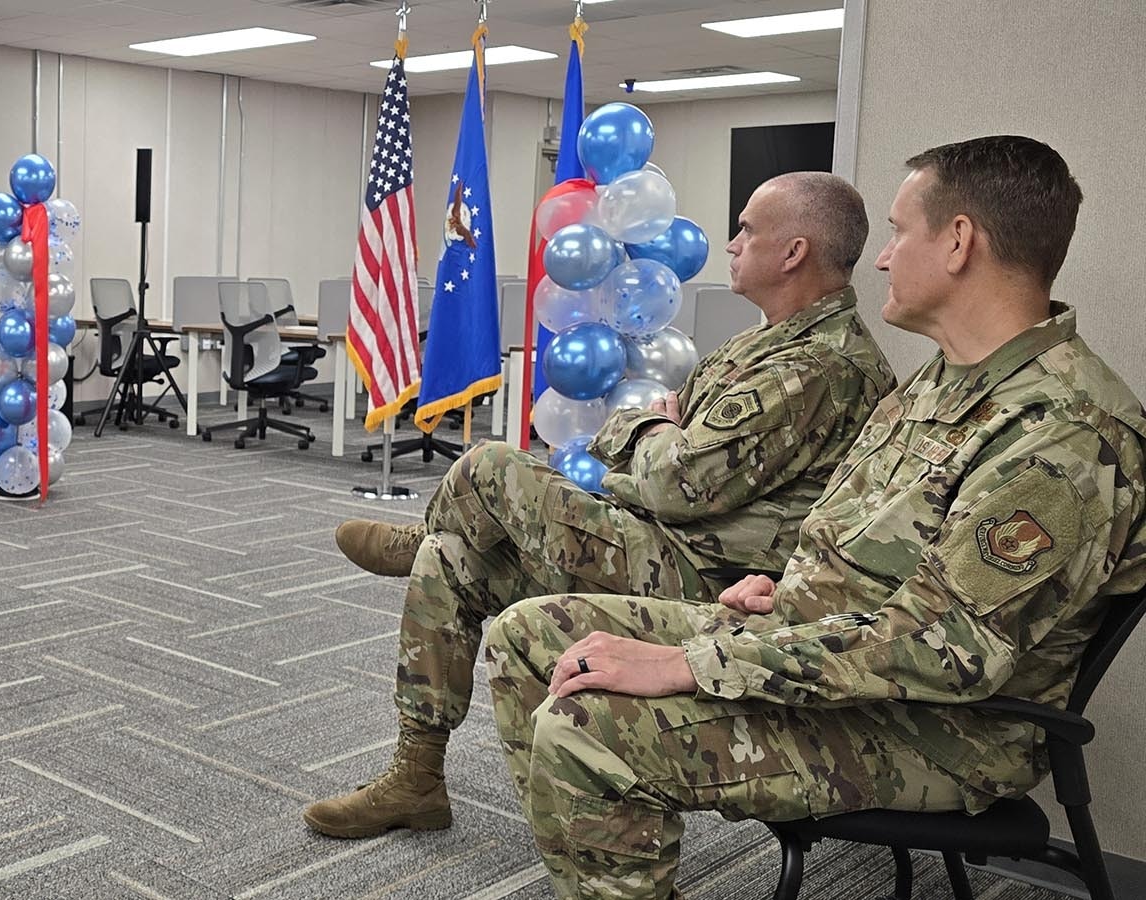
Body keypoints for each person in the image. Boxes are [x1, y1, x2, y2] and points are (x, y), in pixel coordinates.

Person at [483, 135, 1146, 900]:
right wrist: (783, 588)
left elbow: (945, 652)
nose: (885, 257)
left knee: (585, 730)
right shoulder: (941, 382)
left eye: (900, 231)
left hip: (942, 726)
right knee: (530, 635)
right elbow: (866, 545)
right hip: (829, 653)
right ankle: (605, 856)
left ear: (959, 242)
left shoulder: (1062, 434)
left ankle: (611, 816)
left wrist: (694, 663)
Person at [303, 172, 896, 839]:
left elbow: (675, 479)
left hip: (705, 575)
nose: (732, 244)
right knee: (454, 556)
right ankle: (417, 776)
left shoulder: (819, 364)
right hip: (662, 539)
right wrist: (655, 434)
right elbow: (657, 443)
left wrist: (650, 430)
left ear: (793, 252)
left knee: (491, 466)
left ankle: (417, 537)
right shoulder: (763, 342)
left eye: (748, 230)